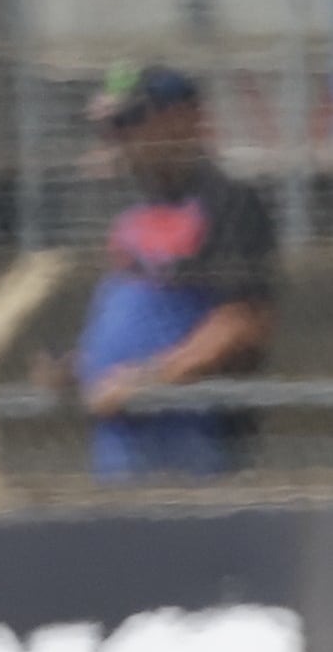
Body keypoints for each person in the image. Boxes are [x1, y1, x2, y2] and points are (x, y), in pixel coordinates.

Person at [68, 64, 276, 480]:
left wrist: (147, 381)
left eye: (131, 121)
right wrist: (78, 366)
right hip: (121, 433)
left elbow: (241, 322)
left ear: (182, 117)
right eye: (112, 124)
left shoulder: (228, 203)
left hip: (188, 435)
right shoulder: (135, 207)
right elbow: (131, 314)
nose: (120, 137)